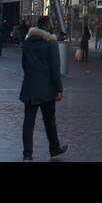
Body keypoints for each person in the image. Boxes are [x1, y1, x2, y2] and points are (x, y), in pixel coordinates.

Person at [20, 17, 67, 160]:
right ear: (48, 27)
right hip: (47, 88)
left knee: (28, 122)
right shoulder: (51, 43)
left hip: (30, 86)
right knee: (49, 121)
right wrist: (59, 89)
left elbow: (24, 64)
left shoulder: (27, 42)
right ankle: (54, 150)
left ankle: (27, 155)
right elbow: (55, 68)